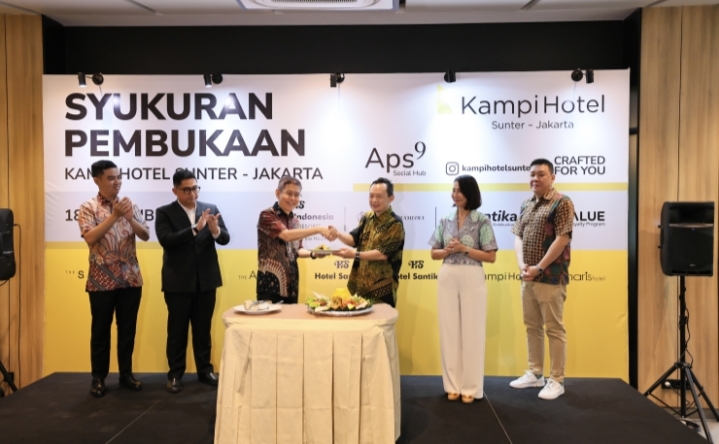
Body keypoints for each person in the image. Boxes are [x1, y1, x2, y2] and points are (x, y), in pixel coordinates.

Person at [78, 160, 150, 398]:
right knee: (100, 331)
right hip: (101, 281)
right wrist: (114, 216)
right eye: (111, 178)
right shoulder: (88, 207)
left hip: (130, 279)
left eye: (119, 177)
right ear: (97, 180)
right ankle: (98, 378)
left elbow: (145, 234)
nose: (117, 182)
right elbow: (90, 238)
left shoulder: (130, 204)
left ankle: (126, 374)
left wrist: (129, 217)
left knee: (127, 330)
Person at [155, 169, 230, 394]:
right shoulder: (164, 212)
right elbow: (166, 240)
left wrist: (215, 230)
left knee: (203, 329)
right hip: (178, 282)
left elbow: (224, 238)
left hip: (206, 280)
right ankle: (175, 374)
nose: (192, 194)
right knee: (177, 331)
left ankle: (205, 370)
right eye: (186, 190)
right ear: (175, 190)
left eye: (195, 188)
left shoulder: (211, 208)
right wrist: (195, 229)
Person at [509, 158, 574, 400]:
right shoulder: (526, 204)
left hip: (551, 278)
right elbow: (518, 236)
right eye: (532, 174)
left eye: (541, 174)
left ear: (552, 177)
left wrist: (539, 267)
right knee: (532, 327)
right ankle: (535, 374)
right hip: (528, 278)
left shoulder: (562, 202)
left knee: (554, 329)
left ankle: (557, 380)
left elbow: (562, 238)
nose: (535, 178)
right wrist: (522, 266)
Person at [429, 175, 497, 404]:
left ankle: (471, 387)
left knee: (472, 331)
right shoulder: (446, 219)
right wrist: (448, 251)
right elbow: (434, 253)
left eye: (459, 190)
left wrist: (464, 248)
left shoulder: (482, 220)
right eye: (453, 190)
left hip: (472, 275)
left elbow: (491, 256)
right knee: (448, 331)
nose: (455, 194)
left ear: (470, 193)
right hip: (447, 274)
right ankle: (452, 385)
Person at [257, 176, 336, 304]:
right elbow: (286, 235)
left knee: (292, 317)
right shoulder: (267, 215)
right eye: (289, 193)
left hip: (292, 286)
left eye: (297, 195)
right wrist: (317, 229)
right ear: (277, 193)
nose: (293, 198)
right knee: (271, 318)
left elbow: (297, 250)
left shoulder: (295, 221)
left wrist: (313, 253)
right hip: (271, 285)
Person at [333, 177, 405, 307]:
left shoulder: (395, 223)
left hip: (381, 289)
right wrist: (337, 234)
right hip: (359, 285)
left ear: (391, 198)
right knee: (358, 319)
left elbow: (382, 254)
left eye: (379, 196)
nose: (374, 200)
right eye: (371, 196)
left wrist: (354, 255)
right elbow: (353, 239)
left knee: (382, 319)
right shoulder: (367, 217)